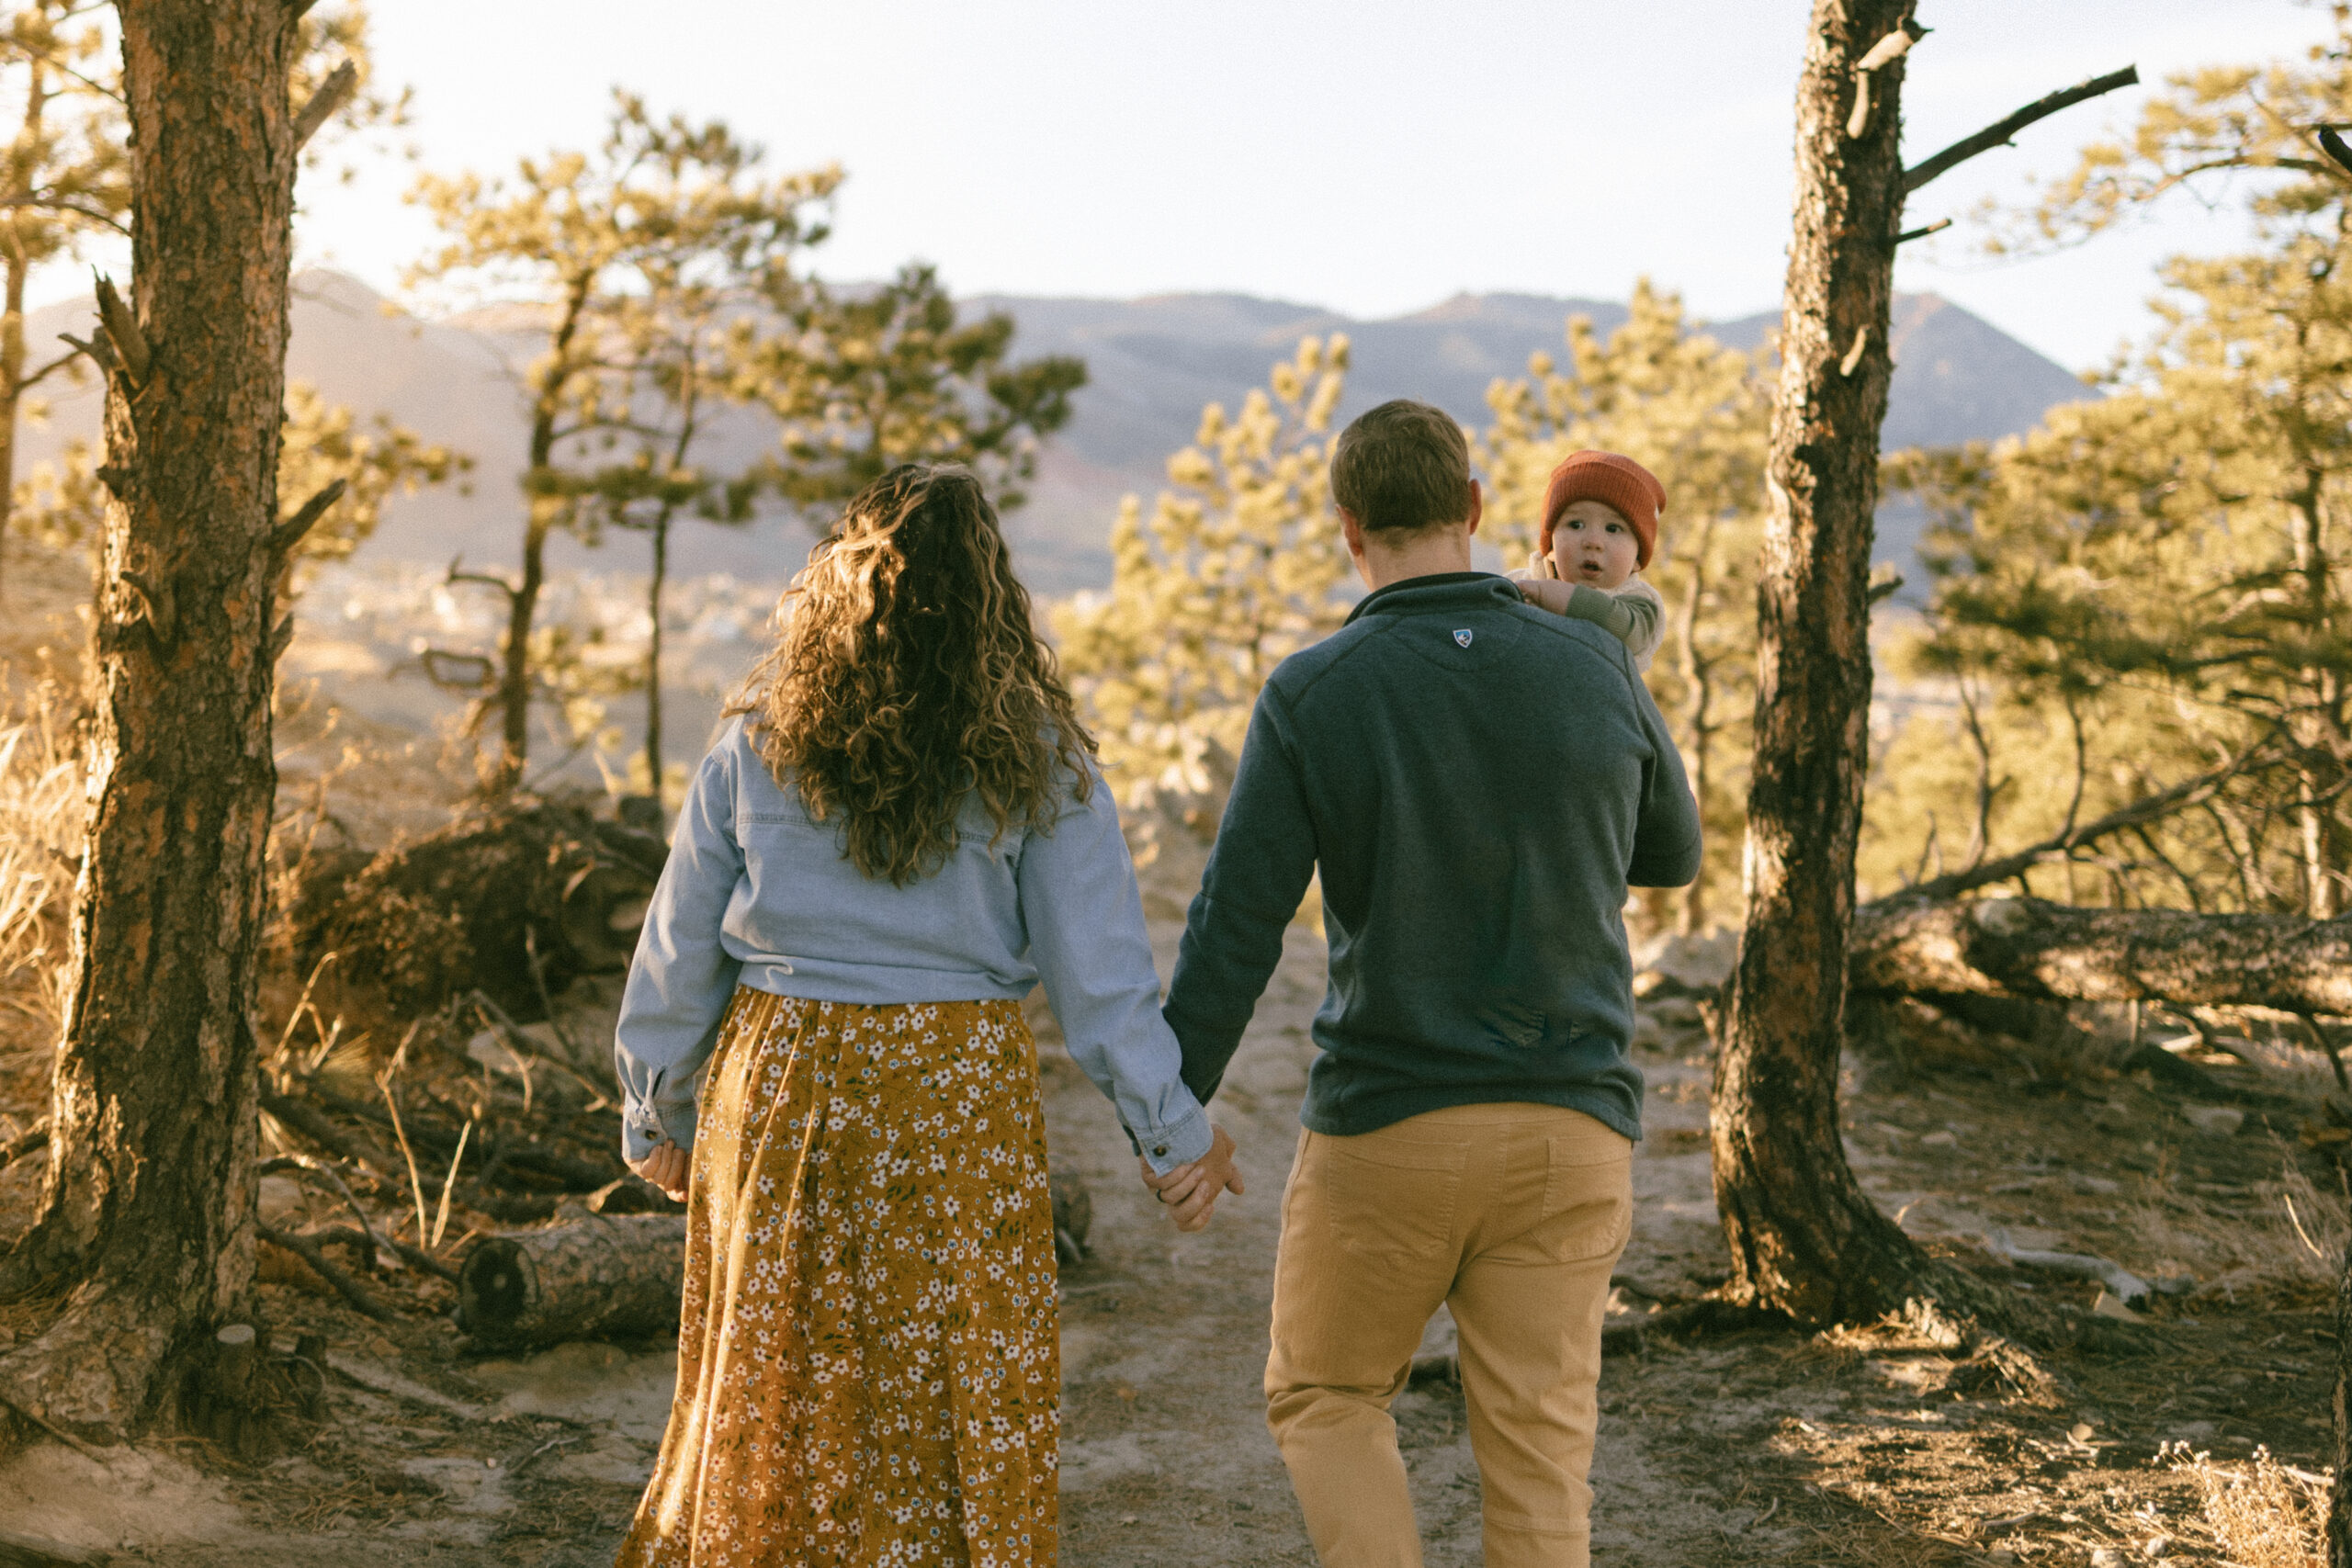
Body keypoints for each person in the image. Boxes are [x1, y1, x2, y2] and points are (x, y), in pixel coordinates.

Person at [611, 462, 1242, 1567]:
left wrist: (653, 1111)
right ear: (995, 596)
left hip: (780, 1073)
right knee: (947, 1374)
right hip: (951, 1091)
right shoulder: (1038, 759)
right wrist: (1174, 1137)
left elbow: (679, 947)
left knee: (780, 1370)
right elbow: (1100, 983)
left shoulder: (757, 739)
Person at [1150, 400, 1701, 1568]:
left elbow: (1236, 924)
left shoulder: (1315, 689)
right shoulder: (1594, 664)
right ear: (1474, 512)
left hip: (1388, 1133)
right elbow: (1671, 854)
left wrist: (1173, 1107)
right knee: (1542, 1460)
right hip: (1570, 1127)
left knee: (1330, 1399)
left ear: (1349, 530)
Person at [1507, 449, 1668, 671]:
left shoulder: (1639, 604)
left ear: (1637, 560)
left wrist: (1551, 595)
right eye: (1576, 525)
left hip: (1601, 703)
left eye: (1613, 529)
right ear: (1551, 546)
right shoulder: (1519, 585)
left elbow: (1628, 631)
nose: (1593, 542)